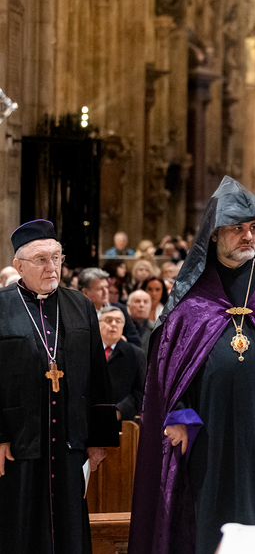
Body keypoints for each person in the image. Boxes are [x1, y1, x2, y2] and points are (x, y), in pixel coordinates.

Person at [129, 177, 255, 554]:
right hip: (208, 436)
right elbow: (167, 364)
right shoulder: (193, 294)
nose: (248, 236)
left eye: (254, 228)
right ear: (214, 234)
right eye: (237, 228)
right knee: (210, 519)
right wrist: (177, 413)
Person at [0, 220, 119, 554]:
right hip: (18, 441)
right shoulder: (2, 306)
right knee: (19, 524)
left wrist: (98, 440)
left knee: (68, 525)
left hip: (70, 437)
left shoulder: (80, 304)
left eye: (56, 257)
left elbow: (98, 374)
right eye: (41, 259)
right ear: (19, 266)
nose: (52, 267)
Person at [98, 306, 145, 422]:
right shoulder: (87, 351)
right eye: (108, 320)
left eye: (118, 321)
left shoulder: (136, 354)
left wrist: (119, 411)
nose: (113, 324)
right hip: (89, 418)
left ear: (123, 326)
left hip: (122, 421)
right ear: (98, 324)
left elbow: (140, 391)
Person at [79, 267, 140, 345]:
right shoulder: (76, 314)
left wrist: (120, 342)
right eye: (100, 289)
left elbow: (135, 342)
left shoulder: (120, 309)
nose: (106, 292)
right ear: (85, 292)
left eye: (106, 288)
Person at [127, 289, 155, 354]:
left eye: (145, 302)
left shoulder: (158, 329)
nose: (142, 305)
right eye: (137, 301)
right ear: (129, 306)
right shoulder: (121, 330)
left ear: (150, 307)